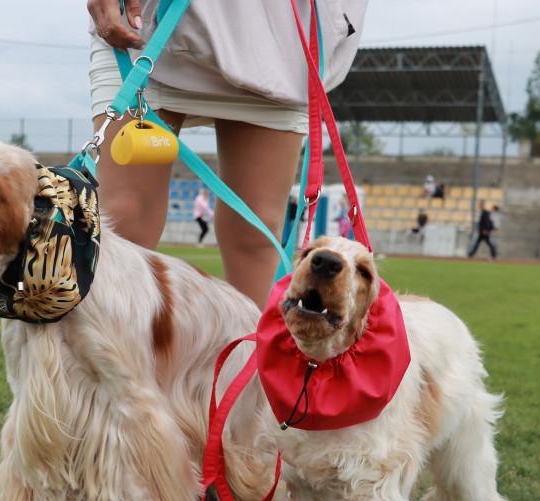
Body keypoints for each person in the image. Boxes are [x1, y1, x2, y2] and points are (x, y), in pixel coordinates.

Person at [87, 0, 368, 306]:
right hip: (153, 29)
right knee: (122, 225)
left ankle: (249, 352)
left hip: (279, 41)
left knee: (256, 237)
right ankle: (101, 352)